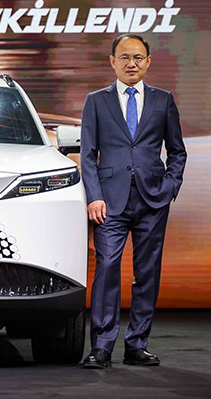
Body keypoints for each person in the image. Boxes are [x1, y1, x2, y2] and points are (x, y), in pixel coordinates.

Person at [79, 34, 187, 368]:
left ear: (148, 62)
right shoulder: (96, 101)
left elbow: (178, 151)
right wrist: (94, 197)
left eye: (138, 57)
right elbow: (87, 155)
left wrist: (169, 187)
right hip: (108, 203)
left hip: (152, 200)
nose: (131, 63)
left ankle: (137, 345)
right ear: (112, 61)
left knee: (147, 273)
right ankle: (101, 347)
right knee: (107, 269)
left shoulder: (163, 100)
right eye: (124, 57)